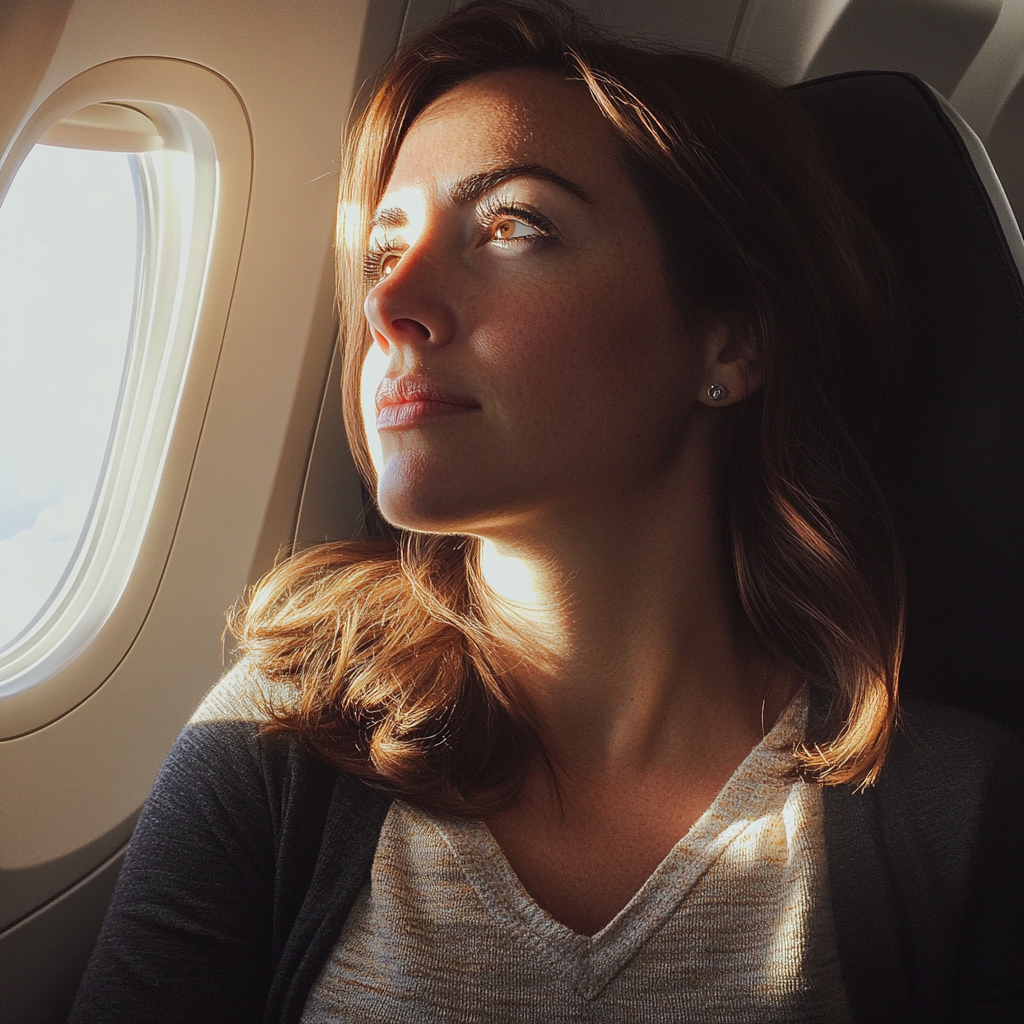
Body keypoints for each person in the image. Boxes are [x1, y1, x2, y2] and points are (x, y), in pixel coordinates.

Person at [70, 2, 1021, 1022]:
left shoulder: (961, 818)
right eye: (382, 254)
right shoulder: (278, 747)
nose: (388, 309)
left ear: (730, 342)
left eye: (512, 225)